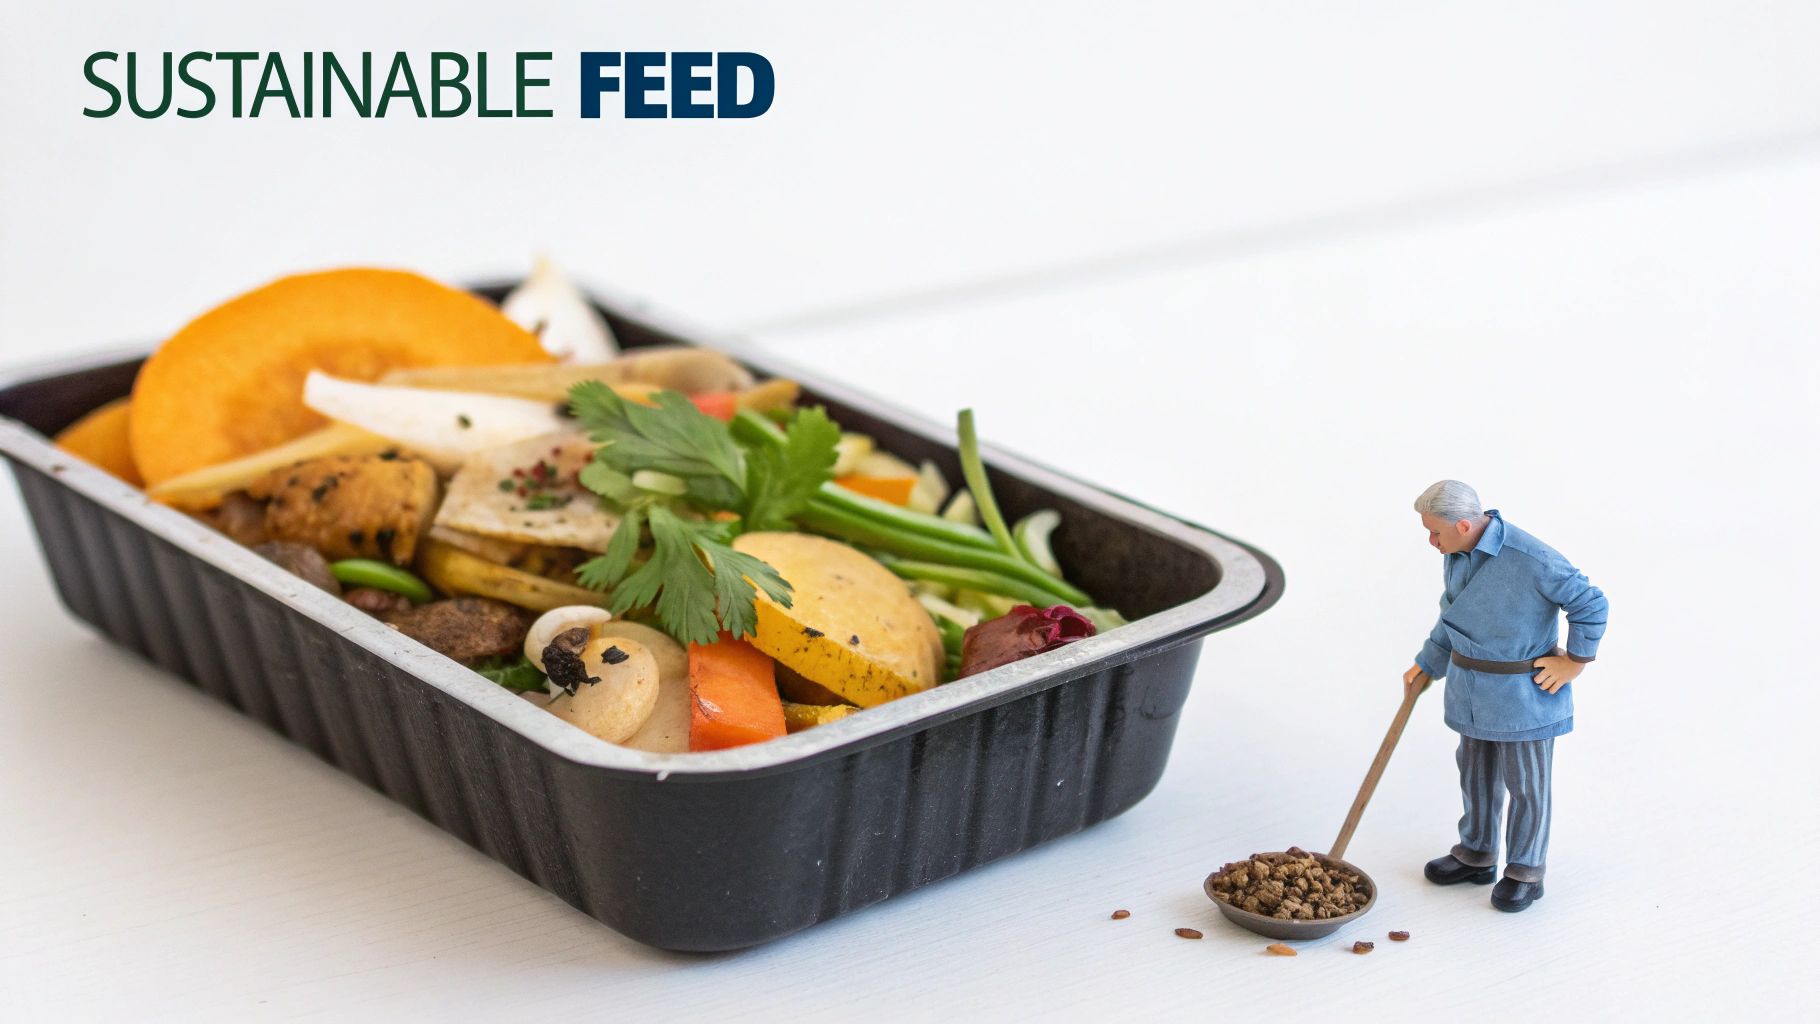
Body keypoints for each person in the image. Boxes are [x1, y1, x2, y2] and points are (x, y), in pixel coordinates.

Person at [1403, 480, 1607, 912]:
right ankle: (1476, 853)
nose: (1431, 541)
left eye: (1435, 532)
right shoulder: (1457, 554)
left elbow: (1590, 603)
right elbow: (1453, 616)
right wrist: (1429, 662)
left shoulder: (1531, 558)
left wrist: (1574, 662)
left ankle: (1525, 871)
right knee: (1474, 775)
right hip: (1471, 690)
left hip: (1523, 697)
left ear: (1462, 525)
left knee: (1527, 785)